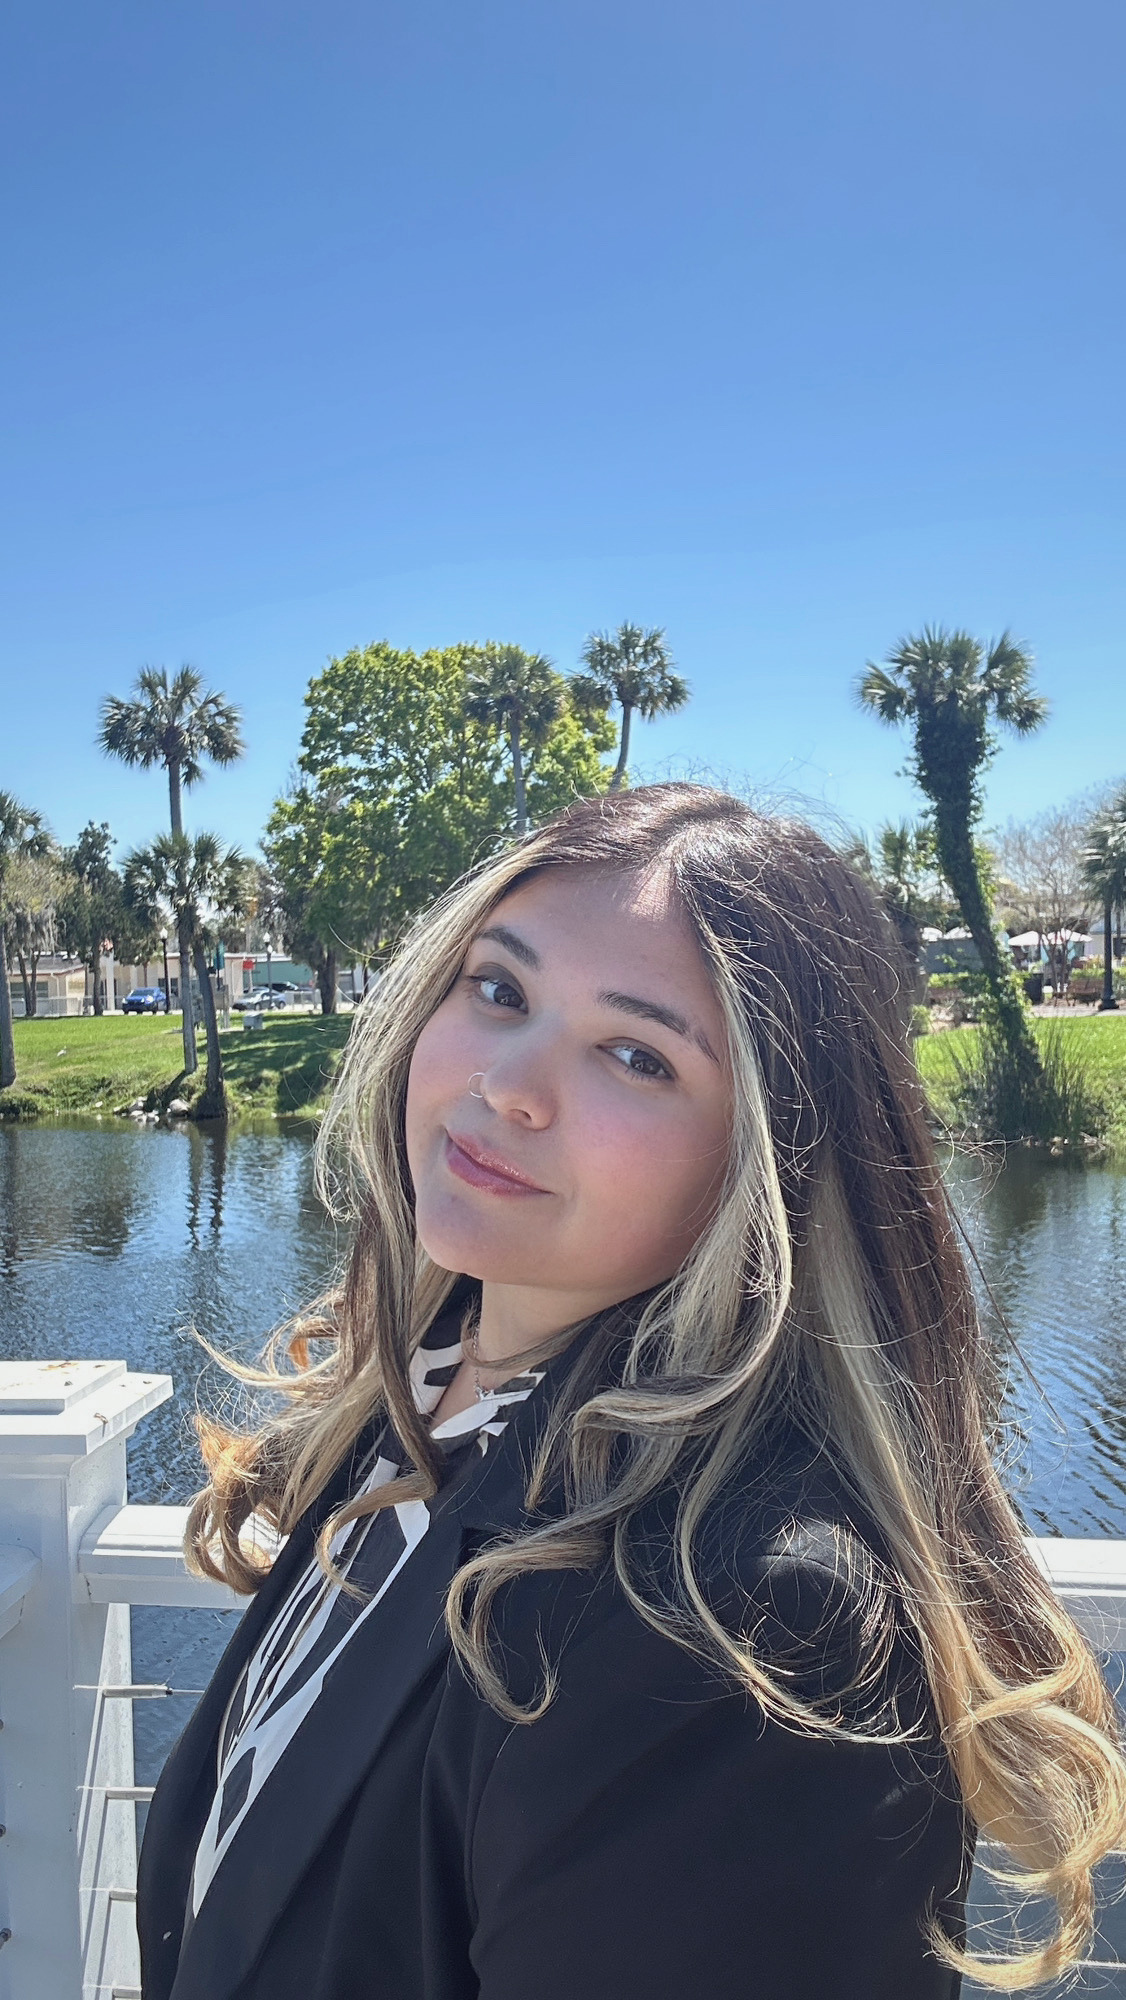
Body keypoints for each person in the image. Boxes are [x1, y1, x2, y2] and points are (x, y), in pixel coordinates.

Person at [138, 783, 1126, 2000]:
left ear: (765, 1152)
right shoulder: (428, 1401)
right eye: (498, 987)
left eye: (634, 1053)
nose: (508, 1083)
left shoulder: (748, 1628)